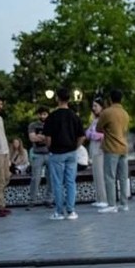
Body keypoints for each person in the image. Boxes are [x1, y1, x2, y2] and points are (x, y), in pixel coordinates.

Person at [43, 88, 85, 221]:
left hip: (56, 152)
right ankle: (71, 211)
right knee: (71, 182)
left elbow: (47, 137)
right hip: (71, 152)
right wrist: (75, 147)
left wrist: (50, 147)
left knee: (57, 182)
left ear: (57, 98)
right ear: (69, 99)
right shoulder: (74, 116)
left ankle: (59, 212)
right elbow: (82, 136)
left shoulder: (52, 117)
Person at [96, 89, 131, 214]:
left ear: (110, 99)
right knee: (123, 177)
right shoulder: (125, 113)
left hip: (111, 148)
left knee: (110, 176)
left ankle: (112, 204)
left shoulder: (107, 112)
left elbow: (98, 128)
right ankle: (124, 203)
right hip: (123, 148)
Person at [27, 106, 52, 208]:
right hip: (37, 154)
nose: (42, 116)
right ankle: (32, 200)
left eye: (44, 114)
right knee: (35, 178)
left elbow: (53, 139)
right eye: (41, 114)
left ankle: (49, 200)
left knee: (51, 178)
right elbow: (32, 138)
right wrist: (45, 138)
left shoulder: (51, 124)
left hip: (50, 154)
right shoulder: (33, 125)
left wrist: (40, 137)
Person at [85, 97, 107, 207]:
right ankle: (99, 198)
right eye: (93, 106)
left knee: (100, 174)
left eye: (96, 106)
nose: (93, 108)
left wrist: (92, 134)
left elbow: (102, 135)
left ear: (102, 107)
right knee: (96, 173)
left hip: (100, 149)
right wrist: (91, 134)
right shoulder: (94, 120)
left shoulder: (104, 119)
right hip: (94, 148)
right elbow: (87, 132)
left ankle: (104, 199)